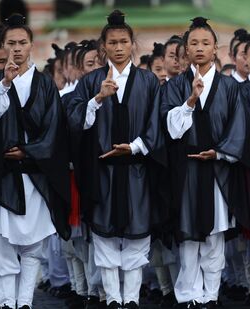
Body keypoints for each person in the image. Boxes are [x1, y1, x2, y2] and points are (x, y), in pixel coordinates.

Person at [65, 10, 166, 309]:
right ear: (103, 47)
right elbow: (73, 121)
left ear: (132, 44)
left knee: (137, 238)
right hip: (102, 171)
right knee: (105, 238)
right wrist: (97, 99)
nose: (119, 47)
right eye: (112, 42)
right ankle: (111, 298)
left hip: (137, 169)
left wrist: (134, 147)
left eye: (124, 41)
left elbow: (155, 125)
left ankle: (132, 299)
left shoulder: (148, 81)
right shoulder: (91, 81)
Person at [0, 13, 71, 309]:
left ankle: (25, 302)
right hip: (1, 176)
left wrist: (29, 151)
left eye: (22, 42)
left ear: (32, 44)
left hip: (35, 176)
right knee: (0, 247)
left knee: (33, 248)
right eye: (11, 43)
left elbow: (54, 129)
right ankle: (6, 303)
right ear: (2, 46)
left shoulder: (45, 85)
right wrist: (5, 83)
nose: (16, 48)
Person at [161, 17, 245, 309]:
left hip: (217, 168)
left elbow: (238, 127)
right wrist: (190, 101)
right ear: (185, 49)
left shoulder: (229, 87)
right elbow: (170, 128)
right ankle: (188, 295)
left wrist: (220, 153)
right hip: (186, 169)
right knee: (188, 240)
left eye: (205, 43)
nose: (199, 48)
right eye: (194, 43)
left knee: (213, 238)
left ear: (215, 48)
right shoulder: (174, 87)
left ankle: (211, 294)